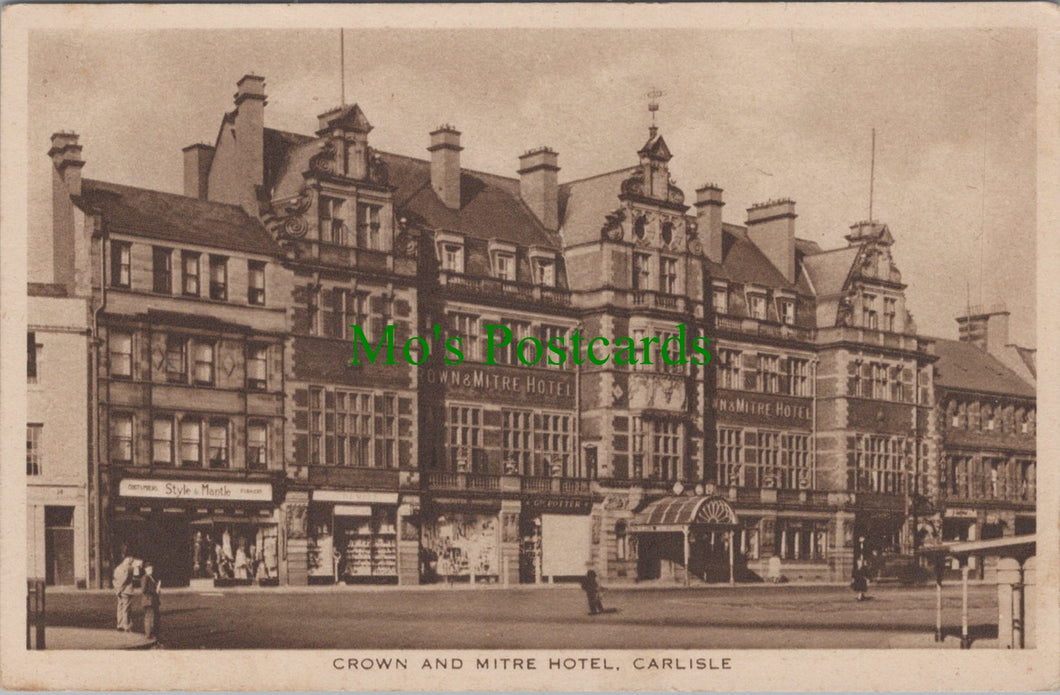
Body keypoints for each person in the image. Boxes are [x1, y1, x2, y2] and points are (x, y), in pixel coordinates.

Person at [112, 554, 136, 631]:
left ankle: (119, 624)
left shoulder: (117, 568)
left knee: (120, 607)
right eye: (131, 561)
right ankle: (126, 625)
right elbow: (126, 580)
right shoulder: (129, 568)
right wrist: (121, 588)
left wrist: (117, 589)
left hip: (118, 590)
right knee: (126, 608)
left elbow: (114, 579)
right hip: (126, 590)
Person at [141, 562, 161, 641]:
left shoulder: (150, 577)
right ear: (145, 569)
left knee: (153, 617)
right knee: (149, 617)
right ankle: (148, 634)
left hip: (152, 600)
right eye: (149, 569)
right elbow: (144, 589)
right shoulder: (145, 577)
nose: (151, 570)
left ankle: (151, 633)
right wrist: (155, 590)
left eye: (151, 569)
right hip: (148, 600)